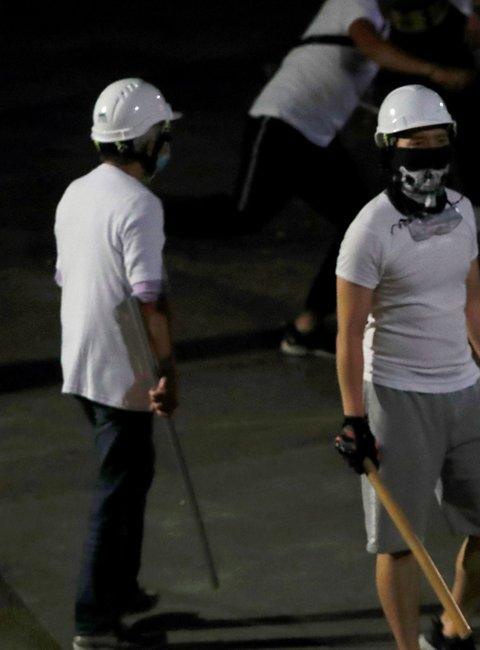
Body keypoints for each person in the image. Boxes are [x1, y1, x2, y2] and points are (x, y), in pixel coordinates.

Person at [333, 85, 480, 650]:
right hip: (396, 396)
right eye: (415, 146)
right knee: (398, 542)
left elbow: (472, 297)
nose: (429, 158)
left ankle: (451, 621)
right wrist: (354, 418)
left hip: (465, 390)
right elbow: (347, 334)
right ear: (389, 152)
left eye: (439, 144)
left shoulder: (462, 211)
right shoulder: (369, 231)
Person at [232, 0, 474, 356]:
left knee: (357, 225)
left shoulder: (382, 24)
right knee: (241, 217)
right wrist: (434, 72)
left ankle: (306, 327)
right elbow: (370, 47)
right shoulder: (355, 3)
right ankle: (143, 214)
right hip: (282, 122)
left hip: (315, 134)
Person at [56, 78, 179, 649]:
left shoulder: (76, 192)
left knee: (132, 476)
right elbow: (146, 297)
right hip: (120, 368)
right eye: (164, 135)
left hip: (80, 361)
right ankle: (93, 623)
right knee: (118, 489)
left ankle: (121, 592)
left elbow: (69, 276)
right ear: (147, 139)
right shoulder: (140, 205)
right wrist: (165, 372)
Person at [374, 0, 480, 231]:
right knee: (410, 123)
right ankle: (430, 205)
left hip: (443, 30)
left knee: (465, 121)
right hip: (400, 34)